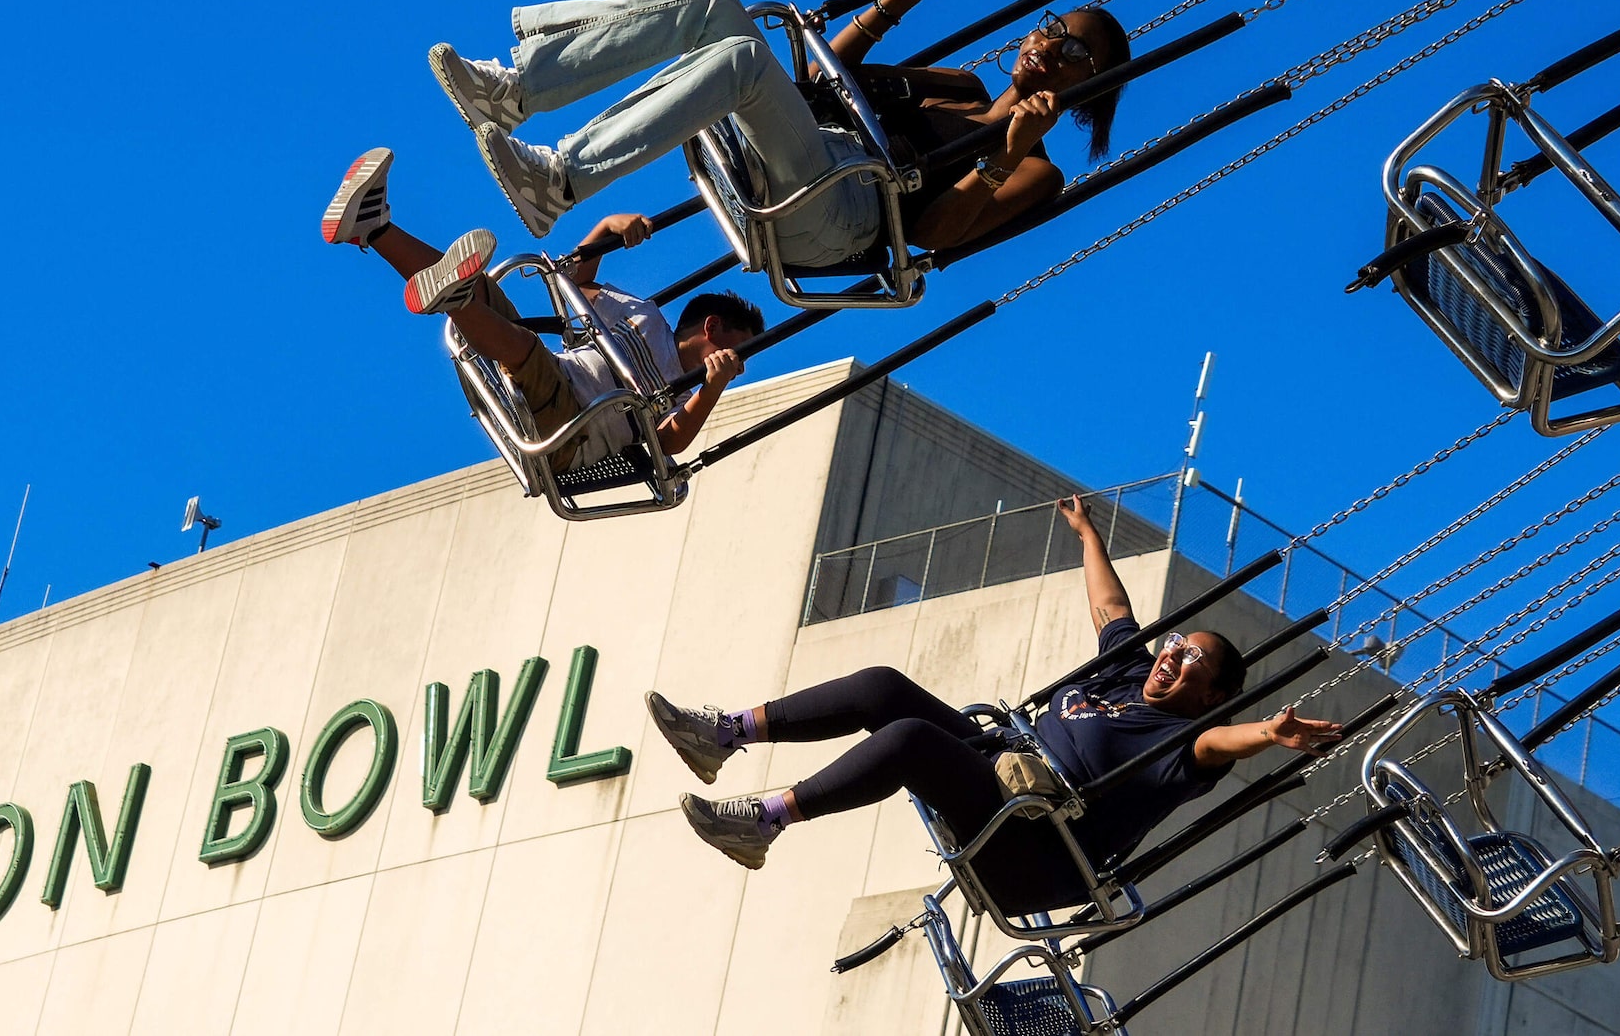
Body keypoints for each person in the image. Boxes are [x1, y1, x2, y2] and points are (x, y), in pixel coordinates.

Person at [647, 493, 1339, 902]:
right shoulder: (1127, 673)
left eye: (1190, 660)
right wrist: (1088, 536)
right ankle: (725, 734)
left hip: (1039, 845)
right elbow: (1110, 607)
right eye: (1174, 645)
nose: (1171, 657)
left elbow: (1220, 743)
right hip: (1002, 773)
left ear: (1209, 695)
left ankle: (763, 821)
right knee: (881, 687)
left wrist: (1268, 734)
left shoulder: (1181, 745)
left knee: (911, 744)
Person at [426, 0, 1130, 272]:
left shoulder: (1036, 170)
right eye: (1049, 25)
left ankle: (559, 179)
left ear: (1087, 84)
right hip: (810, 147)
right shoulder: (962, 85)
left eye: (1070, 48)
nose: (1047, 43)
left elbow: (935, 237)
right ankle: (514, 91)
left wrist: (1005, 151)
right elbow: (822, 76)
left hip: (843, 217)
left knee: (741, 60)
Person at [318, 148, 763, 473]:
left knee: (525, 348)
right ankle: (373, 227)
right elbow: (578, 283)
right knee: (485, 292)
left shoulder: (686, 393)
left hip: (571, 431)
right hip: (554, 377)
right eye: (738, 351)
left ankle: (454, 299)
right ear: (713, 326)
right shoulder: (643, 315)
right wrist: (608, 226)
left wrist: (711, 388)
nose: (737, 367)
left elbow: (671, 440)